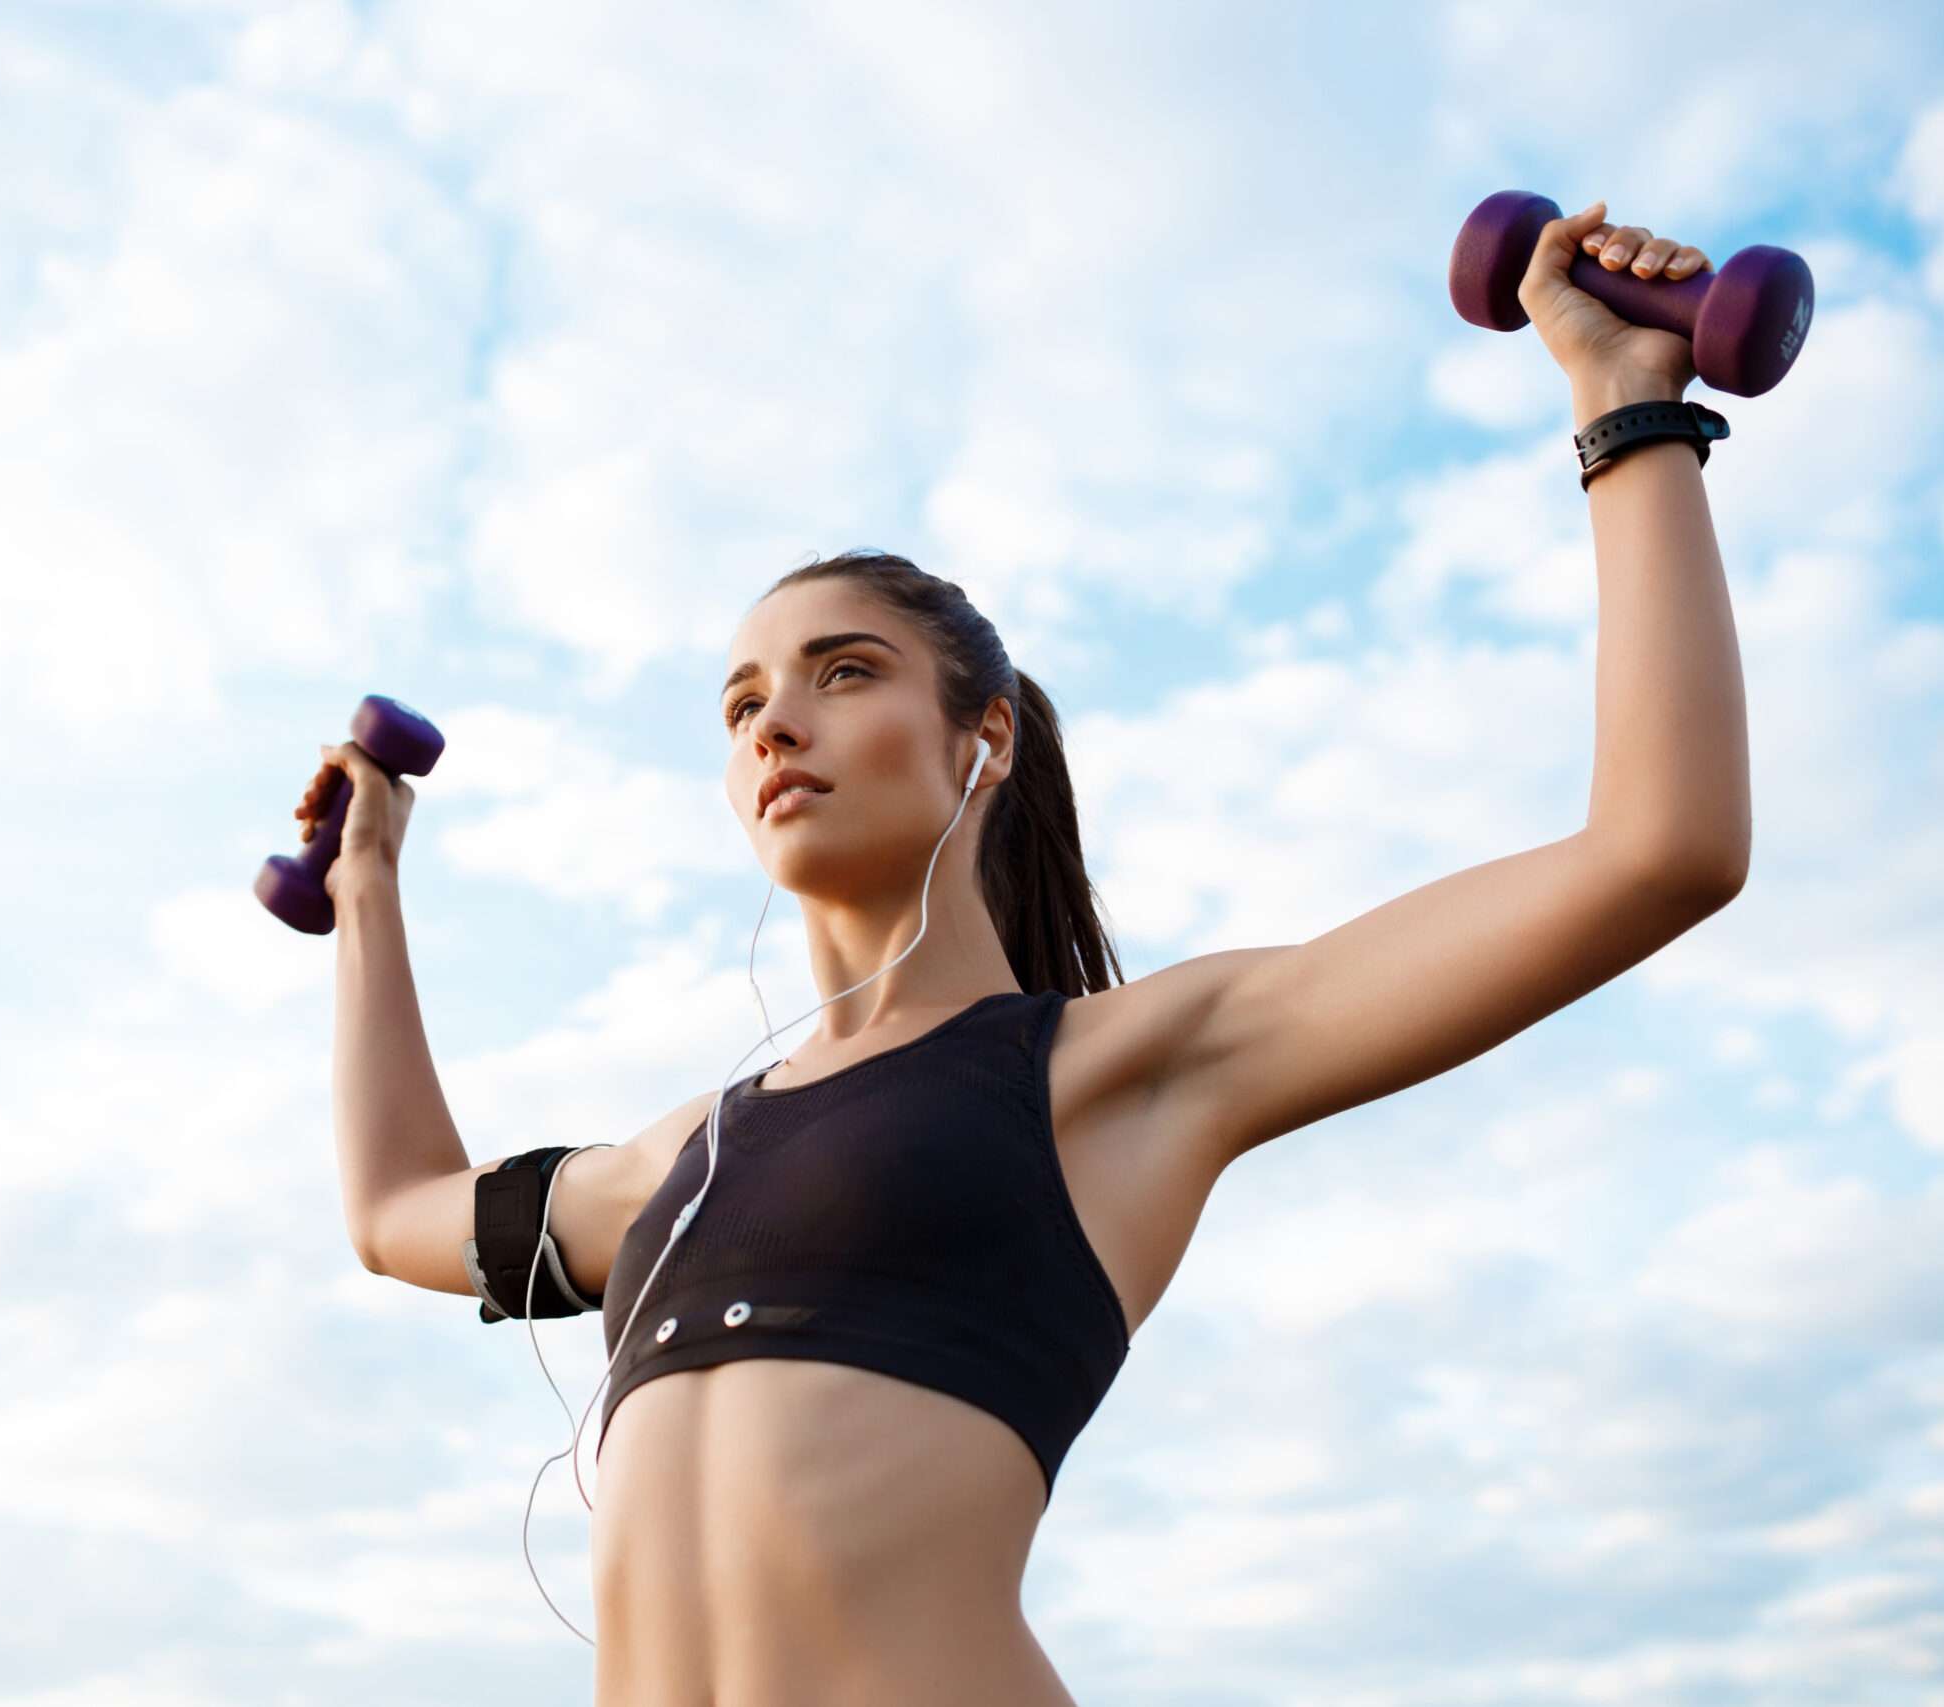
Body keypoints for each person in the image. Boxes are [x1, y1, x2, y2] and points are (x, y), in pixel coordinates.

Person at [314, 202, 1751, 1705]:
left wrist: (1625, 403)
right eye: (740, 704)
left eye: (842, 671)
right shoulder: (682, 1162)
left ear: (981, 739)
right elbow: (397, 1207)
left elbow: (1662, 852)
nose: (773, 724)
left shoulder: (1112, 1069)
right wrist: (369, 886)